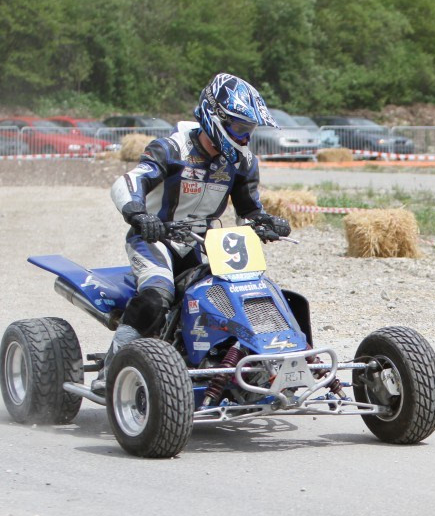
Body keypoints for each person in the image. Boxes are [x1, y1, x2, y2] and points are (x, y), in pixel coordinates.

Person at [93, 72, 291, 393]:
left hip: (204, 242)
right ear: (216, 119)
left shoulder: (241, 163)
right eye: (240, 128)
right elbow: (127, 183)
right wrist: (140, 215)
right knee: (157, 296)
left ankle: (237, 362)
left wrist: (267, 221)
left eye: (248, 130)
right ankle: (112, 368)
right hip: (154, 238)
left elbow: (249, 208)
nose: (245, 137)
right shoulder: (171, 149)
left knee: (241, 294)